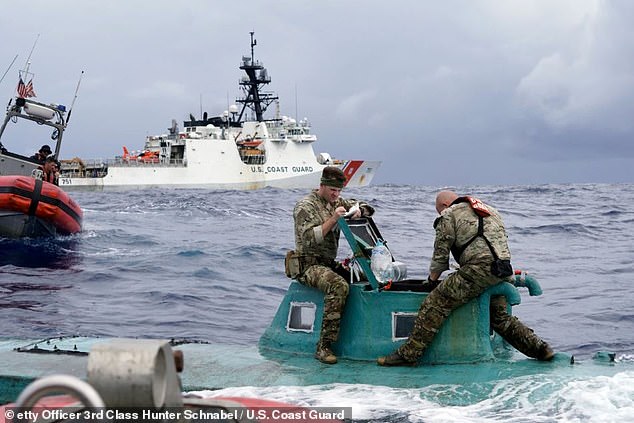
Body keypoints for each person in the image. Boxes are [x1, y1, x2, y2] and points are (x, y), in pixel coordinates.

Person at [378, 190, 554, 366]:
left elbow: (440, 259)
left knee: (435, 303)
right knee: (500, 317)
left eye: (438, 210)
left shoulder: (448, 214)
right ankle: (541, 349)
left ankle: (409, 355)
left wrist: (432, 281)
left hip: (478, 270)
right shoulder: (490, 210)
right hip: (502, 270)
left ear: (445, 206)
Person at [290, 166, 375, 364]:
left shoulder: (336, 201)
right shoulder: (306, 206)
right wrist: (334, 218)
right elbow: (311, 238)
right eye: (332, 191)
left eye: (339, 191)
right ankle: (324, 346)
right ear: (322, 186)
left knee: (364, 278)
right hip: (307, 265)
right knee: (338, 286)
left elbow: (369, 209)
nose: (336, 195)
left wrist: (358, 210)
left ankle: (359, 339)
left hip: (327, 263)